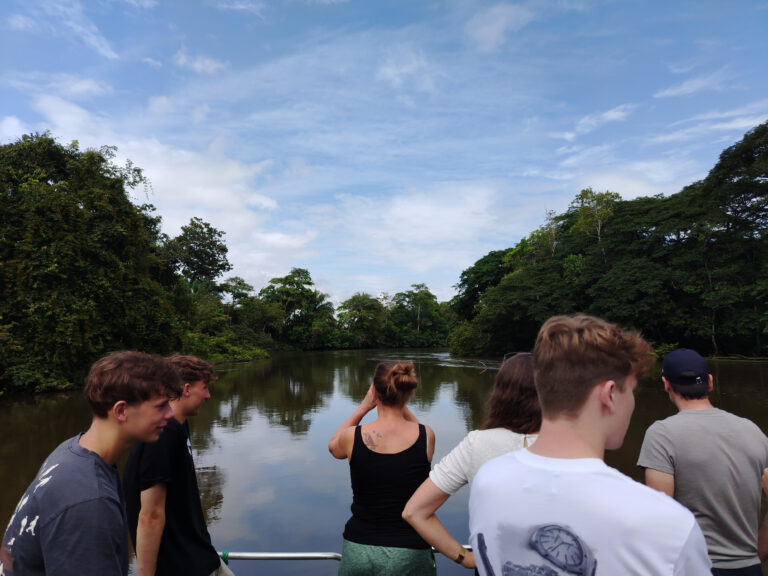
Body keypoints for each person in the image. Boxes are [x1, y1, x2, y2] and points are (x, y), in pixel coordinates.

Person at [469, 314, 712, 575]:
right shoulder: (667, 523)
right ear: (609, 394)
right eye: (631, 390)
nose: (632, 403)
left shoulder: (488, 480)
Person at [0, 351, 181, 576]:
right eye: (161, 406)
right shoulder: (89, 500)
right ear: (121, 411)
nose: (171, 414)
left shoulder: (71, 451)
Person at [403, 352, 541, 570]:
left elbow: (415, 511)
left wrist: (465, 558)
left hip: (493, 566)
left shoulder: (477, 443)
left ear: (499, 393)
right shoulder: (573, 446)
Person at [638, 348, 768, 575]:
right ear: (709, 382)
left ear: (666, 384)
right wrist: (756, 555)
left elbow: (660, 517)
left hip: (693, 567)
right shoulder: (753, 431)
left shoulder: (661, 434)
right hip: (749, 567)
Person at [123, 355, 233, 576]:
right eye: (205, 388)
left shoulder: (179, 425)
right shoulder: (164, 432)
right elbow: (150, 514)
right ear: (186, 389)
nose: (208, 395)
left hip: (200, 557)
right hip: (183, 567)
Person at [328, 361, 436, 576]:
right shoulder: (426, 436)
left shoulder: (352, 437)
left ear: (374, 391)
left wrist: (364, 406)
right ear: (408, 392)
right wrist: (401, 402)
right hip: (409, 551)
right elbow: (417, 428)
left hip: (359, 549)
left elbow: (333, 447)